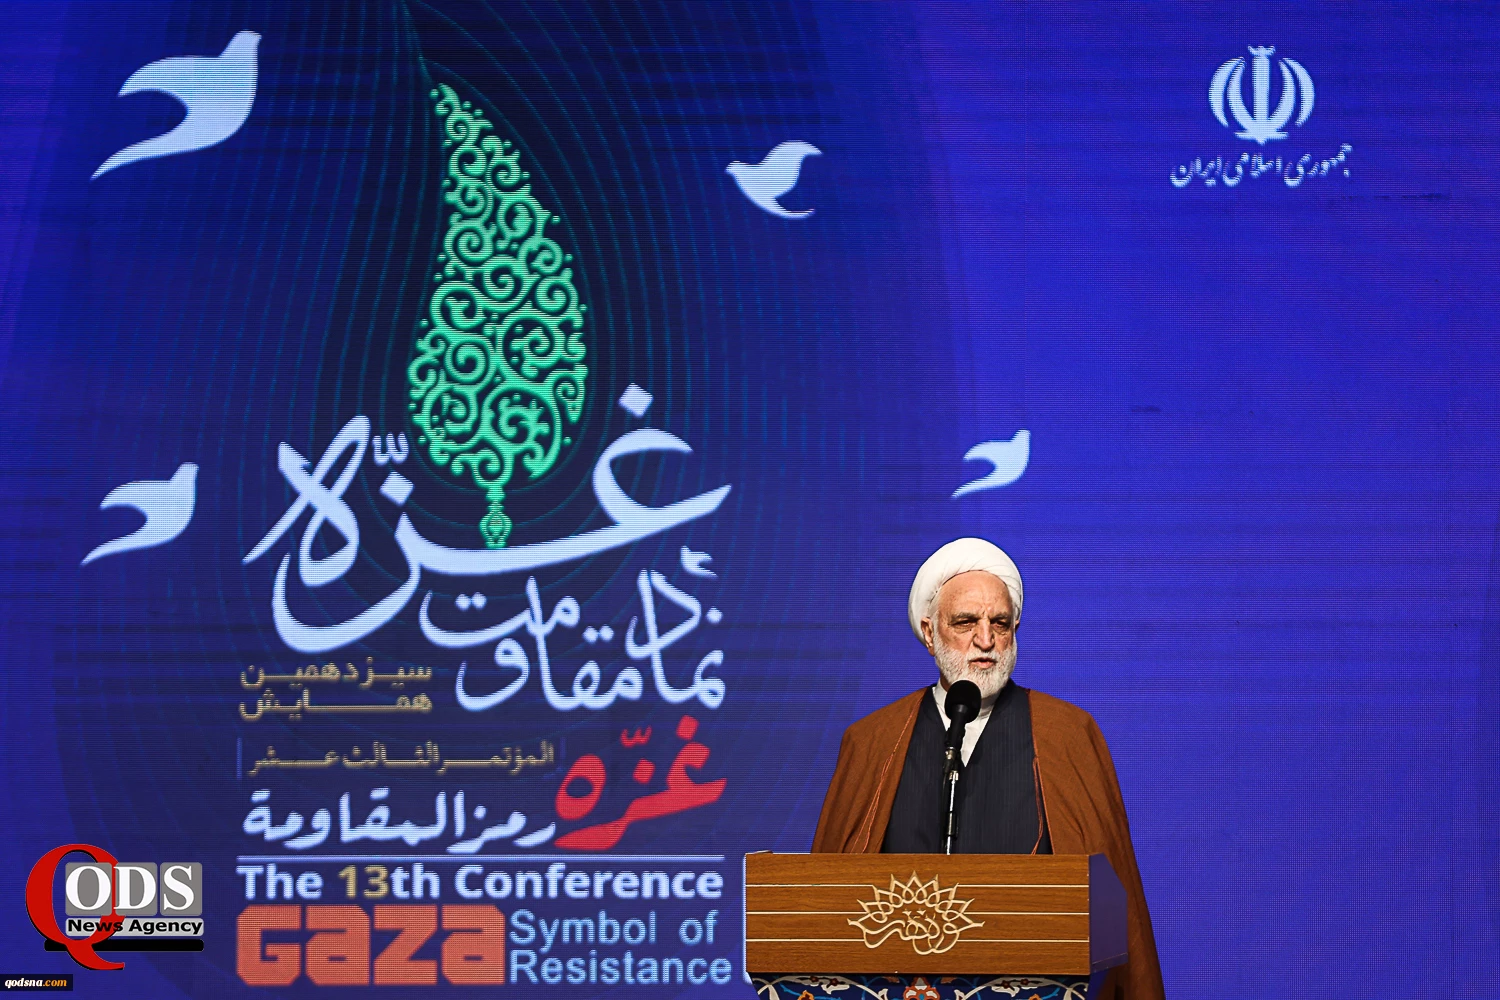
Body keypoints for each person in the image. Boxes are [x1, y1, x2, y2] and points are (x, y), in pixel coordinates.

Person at [812, 538, 1164, 1000]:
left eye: (999, 623)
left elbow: (1113, 911)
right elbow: (825, 910)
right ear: (929, 633)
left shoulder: (1068, 733)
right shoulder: (872, 740)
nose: (985, 640)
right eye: (965, 622)